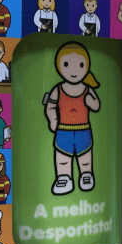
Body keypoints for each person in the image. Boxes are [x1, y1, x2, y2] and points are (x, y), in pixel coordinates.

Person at [44, 42, 101, 194]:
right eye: (66, 64)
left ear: (86, 66)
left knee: (85, 156)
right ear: (59, 66)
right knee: (62, 157)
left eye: (81, 65)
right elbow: (50, 106)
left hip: (83, 130)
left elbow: (96, 105)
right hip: (63, 130)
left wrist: (91, 102)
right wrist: (53, 120)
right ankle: (63, 178)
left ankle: (86, 174)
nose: (73, 71)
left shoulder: (88, 89)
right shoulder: (58, 89)